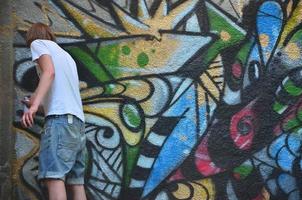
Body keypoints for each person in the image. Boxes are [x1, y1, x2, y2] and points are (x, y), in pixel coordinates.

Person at [21, 23, 87, 200]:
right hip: (78, 126)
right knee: (77, 183)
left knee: (54, 177)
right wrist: (37, 102)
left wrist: (33, 105)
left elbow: (49, 73)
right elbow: (61, 98)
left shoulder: (38, 44)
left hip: (60, 124)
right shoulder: (67, 57)